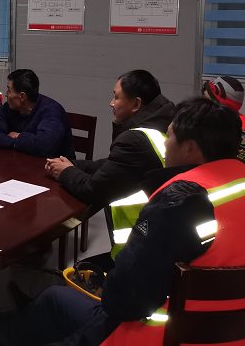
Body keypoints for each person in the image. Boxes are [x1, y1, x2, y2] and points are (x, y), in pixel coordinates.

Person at [0, 98, 245, 346]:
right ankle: (6, 327)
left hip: (167, 336)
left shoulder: (180, 199)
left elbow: (122, 301)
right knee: (60, 298)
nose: (165, 144)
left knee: (63, 303)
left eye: (170, 136)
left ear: (190, 147)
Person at [45, 69, 174, 266]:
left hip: (139, 251)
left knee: (80, 271)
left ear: (136, 104)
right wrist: (73, 164)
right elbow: (113, 164)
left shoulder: (136, 140)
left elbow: (92, 190)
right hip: (158, 238)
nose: (111, 103)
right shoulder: (160, 124)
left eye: (116, 97)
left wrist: (65, 172)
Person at [0, 69, 74, 159]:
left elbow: (43, 146)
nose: (6, 94)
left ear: (22, 96)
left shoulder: (52, 111)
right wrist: (15, 142)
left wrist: (18, 136)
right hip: (19, 163)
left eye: (9, 90)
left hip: (56, 167)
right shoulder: (9, 108)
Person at [203, 75, 245, 179]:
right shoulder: (222, 122)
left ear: (220, 107)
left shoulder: (243, 138)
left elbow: (224, 173)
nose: (200, 106)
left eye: (206, 102)